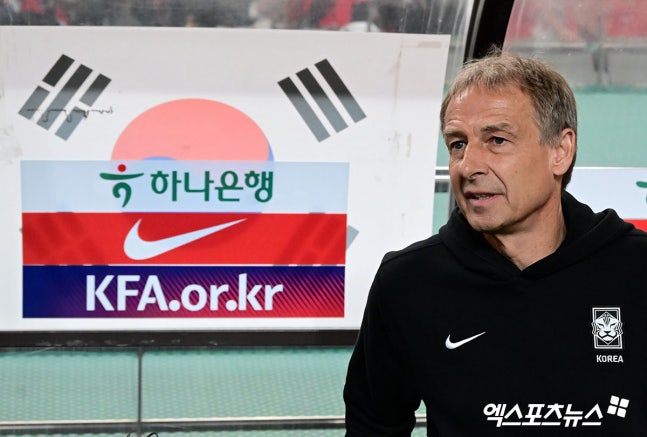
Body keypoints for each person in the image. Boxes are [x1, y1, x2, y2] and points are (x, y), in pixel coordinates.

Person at [343, 49, 647, 435]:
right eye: (457, 144)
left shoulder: (637, 270)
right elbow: (373, 426)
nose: (468, 166)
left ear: (561, 151)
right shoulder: (407, 282)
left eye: (497, 140)